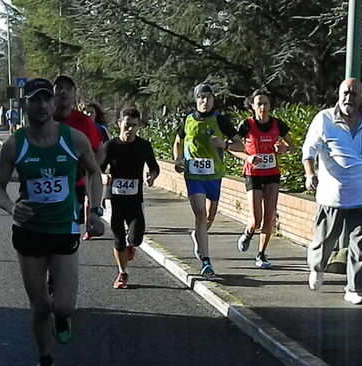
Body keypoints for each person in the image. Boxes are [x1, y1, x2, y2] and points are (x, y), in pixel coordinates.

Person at [0, 78, 104, 366]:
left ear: (54, 104)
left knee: (63, 306)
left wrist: (94, 211)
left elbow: (95, 172)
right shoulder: (15, 144)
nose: (41, 105)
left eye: (46, 99)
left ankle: (63, 318)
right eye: (34, 100)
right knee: (40, 307)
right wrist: (12, 208)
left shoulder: (74, 138)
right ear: (24, 105)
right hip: (29, 231)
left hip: (64, 228)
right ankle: (44, 363)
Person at [301, 78, 362, 305]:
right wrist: (310, 174)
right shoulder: (324, 119)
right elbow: (308, 150)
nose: (349, 98)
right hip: (332, 195)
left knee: (361, 245)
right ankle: (317, 268)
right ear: (339, 94)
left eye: (354, 94)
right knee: (326, 240)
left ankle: (355, 289)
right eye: (345, 93)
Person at [173, 83, 243, 277]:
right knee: (200, 214)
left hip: (214, 176)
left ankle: (198, 236)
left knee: (210, 217)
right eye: (201, 97)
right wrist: (178, 159)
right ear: (196, 100)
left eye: (209, 97)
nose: (205, 101)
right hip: (194, 176)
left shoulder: (220, 121)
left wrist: (225, 144)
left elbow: (241, 145)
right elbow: (178, 142)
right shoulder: (188, 120)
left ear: (213, 100)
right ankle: (206, 262)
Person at [232, 90, 296, 269]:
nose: (262, 107)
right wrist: (247, 157)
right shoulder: (246, 125)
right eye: (259, 103)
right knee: (256, 219)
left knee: (269, 216)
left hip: (272, 174)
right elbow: (232, 147)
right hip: (253, 174)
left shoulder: (278, 124)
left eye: (265, 103)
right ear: (252, 106)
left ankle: (261, 255)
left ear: (270, 106)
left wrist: (283, 149)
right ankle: (248, 231)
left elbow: (292, 146)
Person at [101, 108, 160, 288]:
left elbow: (154, 166)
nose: (130, 129)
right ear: (119, 124)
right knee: (118, 238)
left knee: (136, 239)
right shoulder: (110, 146)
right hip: (114, 198)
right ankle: (122, 273)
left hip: (135, 199)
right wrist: (103, 176)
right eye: (127, 125)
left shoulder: (143, 146)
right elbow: (98, 168)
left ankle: (130, 245)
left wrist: (152, 175)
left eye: (134, 126)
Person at [53, 75, 104, 230]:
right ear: (52, 92)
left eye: (68, 89)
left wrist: (90, 168)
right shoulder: (43, 119)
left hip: (75, 186)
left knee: (69, 233)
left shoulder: (83, 122)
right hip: (46, 186)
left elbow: (100, 151)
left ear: (74, 94)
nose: (63, 92)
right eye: (59, 87)